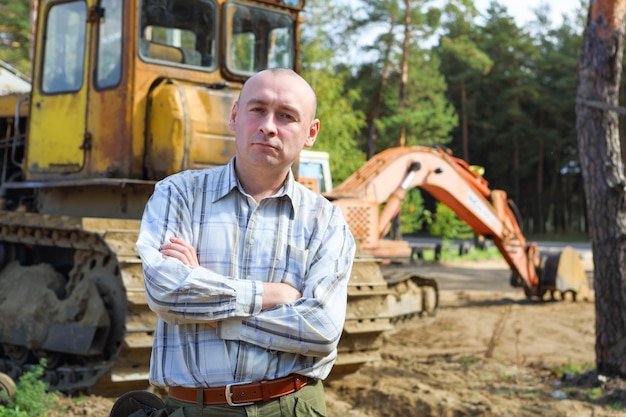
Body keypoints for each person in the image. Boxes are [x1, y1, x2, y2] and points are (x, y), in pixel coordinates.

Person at [135, 68, 356, 417]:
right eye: (258, 109)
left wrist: (212, 311)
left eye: (286, 116)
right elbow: (165, 292)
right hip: (193, 408)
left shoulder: (326, 221)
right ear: (235, 115)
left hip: (291, 406)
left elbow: (321, 330)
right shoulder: (179, 195)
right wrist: (275, 295)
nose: (269, 125)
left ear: (310, 132)